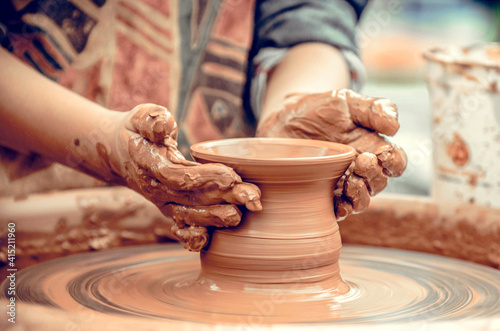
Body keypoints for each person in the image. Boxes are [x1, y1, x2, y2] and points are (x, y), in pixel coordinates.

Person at [0, 0, 406, 251]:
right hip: (21, 214)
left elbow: (310, 12)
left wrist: (295, 107)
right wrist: (105, 144)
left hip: (218, 203)